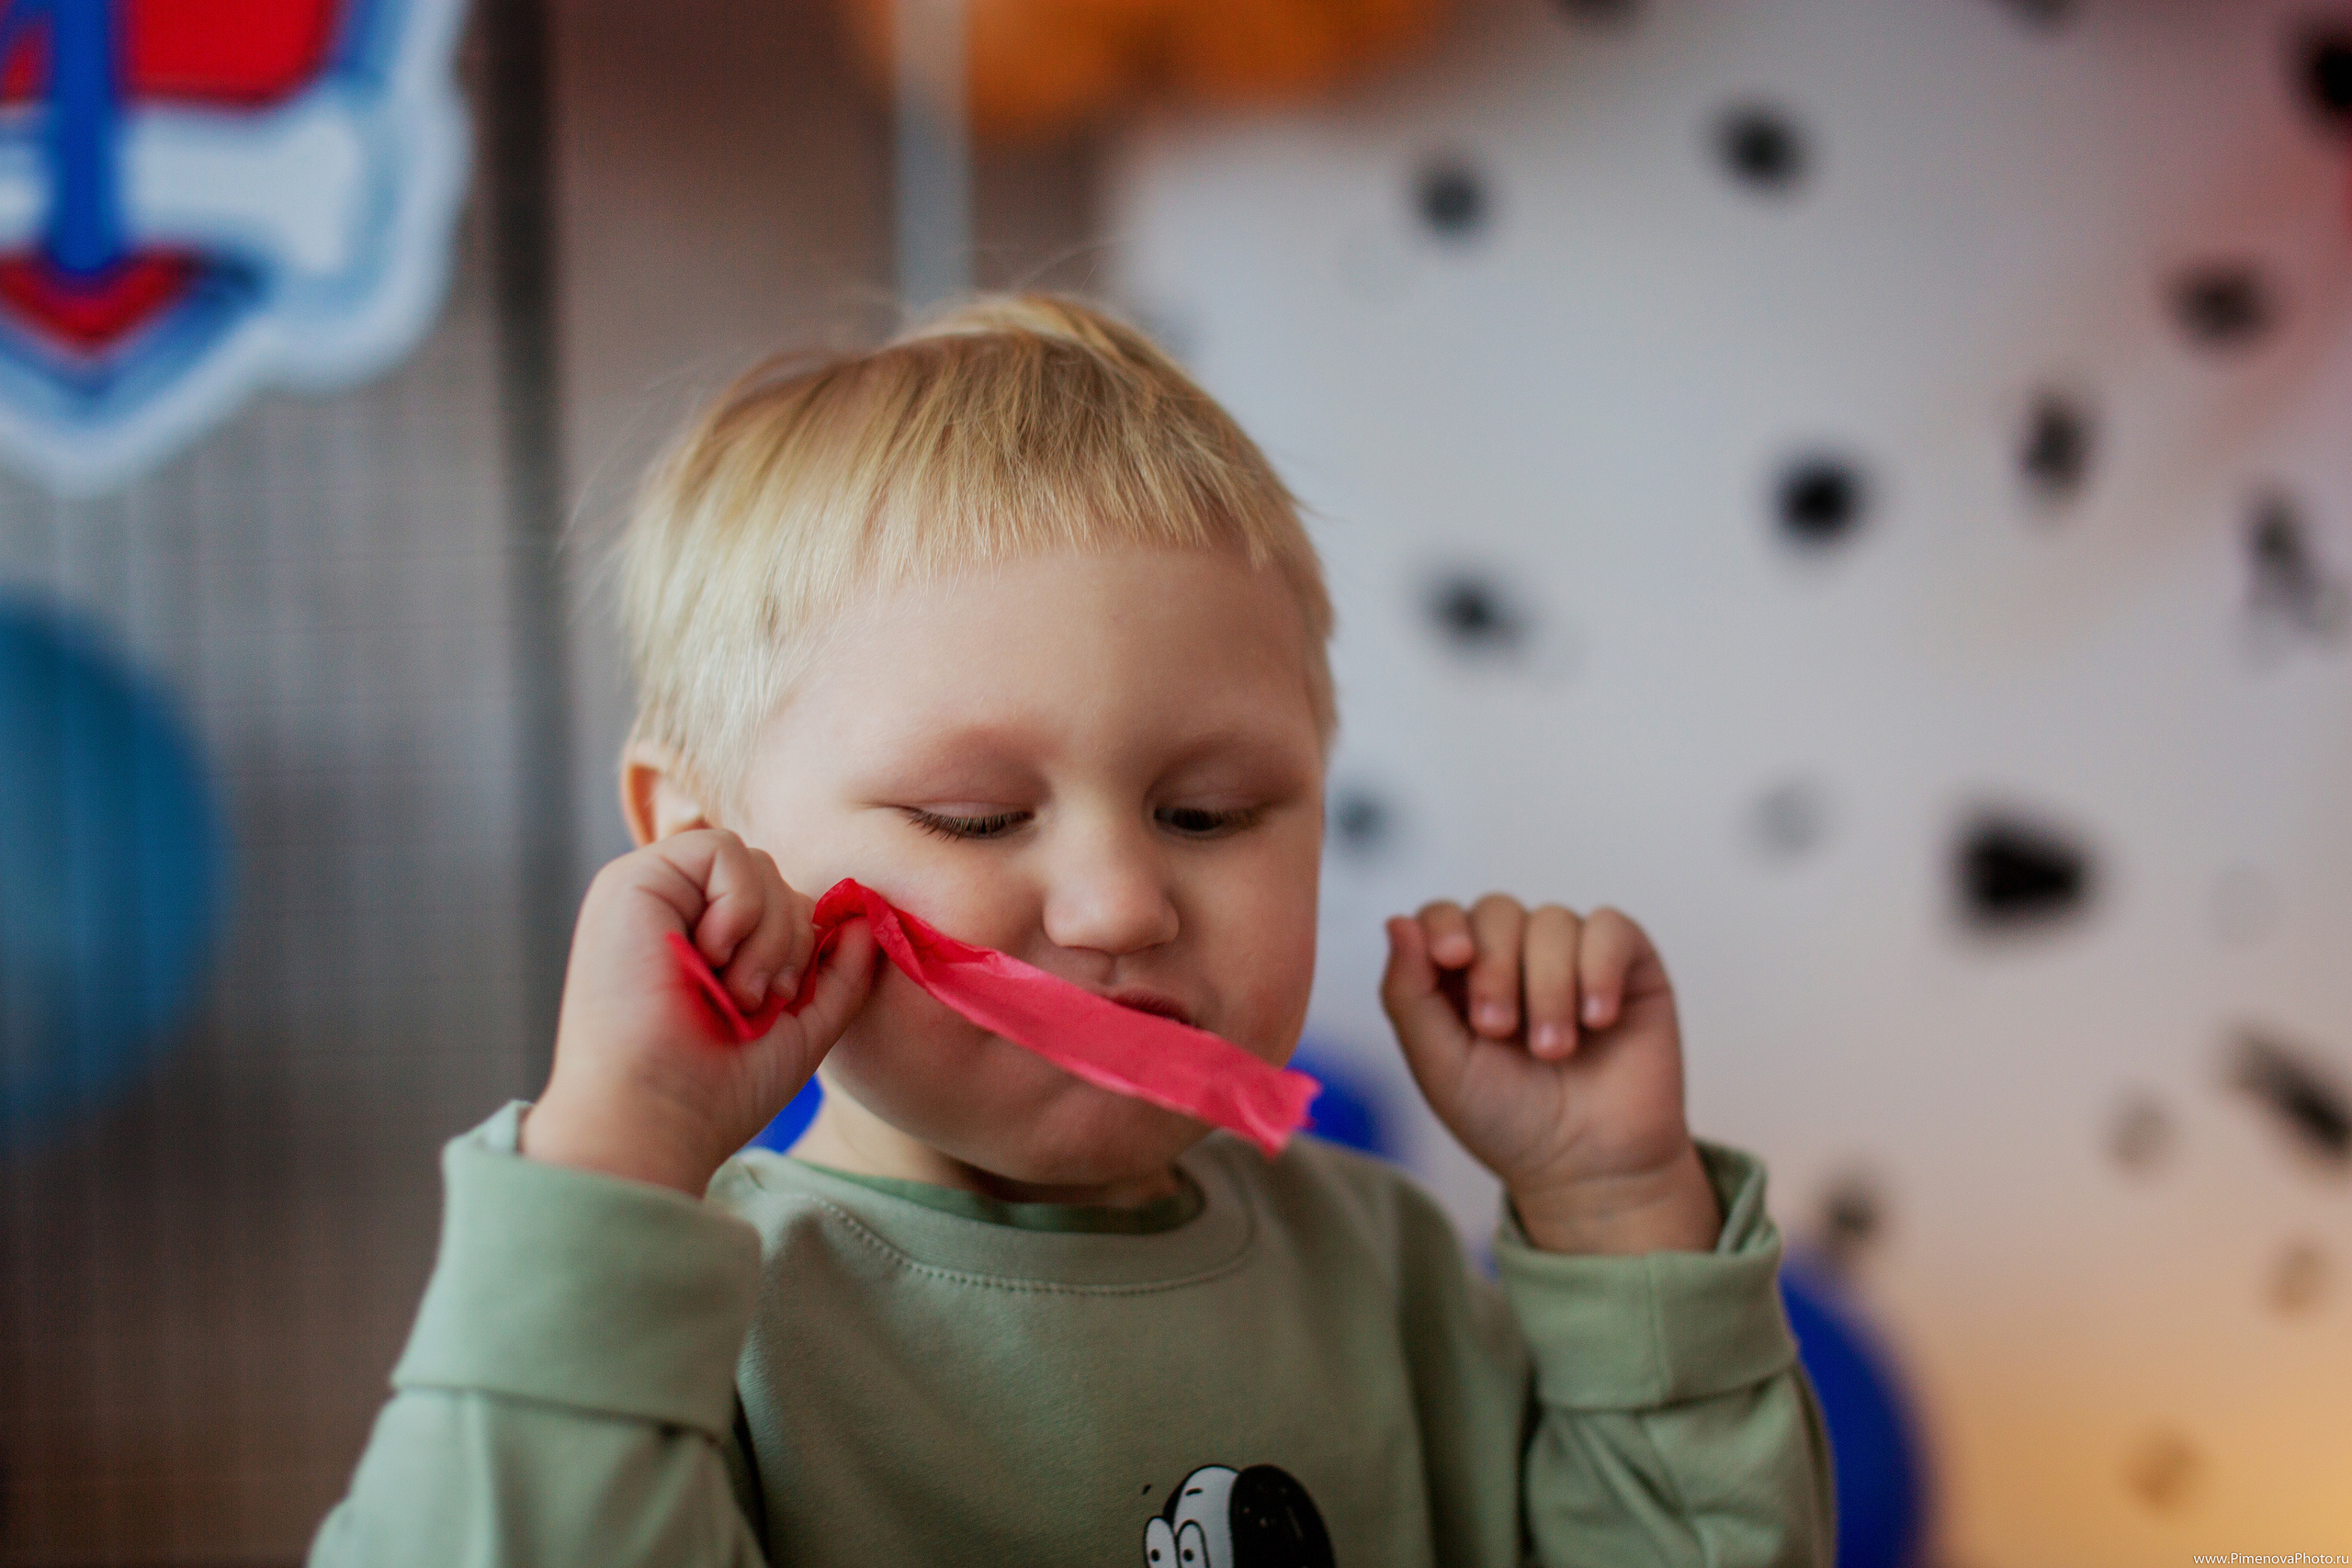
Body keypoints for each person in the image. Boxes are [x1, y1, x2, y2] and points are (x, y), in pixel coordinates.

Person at [307, 294, 1834, 1567]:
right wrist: (618, 1158)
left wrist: (1617, 1207)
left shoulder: (1391, 1279)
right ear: (699, 836)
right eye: (974, 818)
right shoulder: (697, 1319)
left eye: (1213, 810)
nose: (1118, 907)